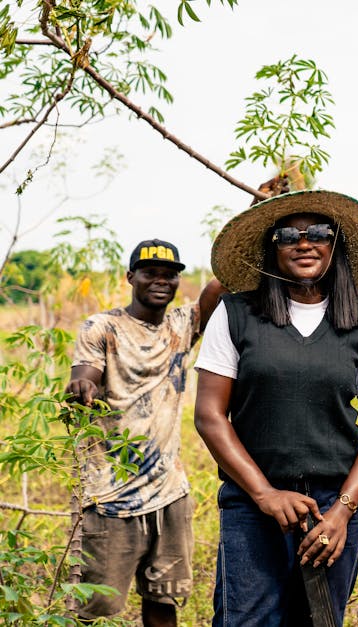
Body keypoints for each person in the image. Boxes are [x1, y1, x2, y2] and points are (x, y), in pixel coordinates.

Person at [193, 190, 358, 626]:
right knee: (247, 619)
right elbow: (210, 416)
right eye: (289, 235)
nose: (304, 243)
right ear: (272, 247)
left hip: (333, 507)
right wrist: (265, 494)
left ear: (335, 245)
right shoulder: (235, 316)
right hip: (253, 503)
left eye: (319, 233)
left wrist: (344, 510)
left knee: (320, 619)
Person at [67, 238, 225, 626]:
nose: (161, 281)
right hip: (109, 495)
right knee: (91, 609)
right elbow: (84, 374)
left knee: (163, 603)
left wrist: (255, 215)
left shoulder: (182, 326)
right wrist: (82, 388)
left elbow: (221, 284)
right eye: (150, 272)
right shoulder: (103, 327)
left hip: (170, 493)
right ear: (130, 277)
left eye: (169, 275)